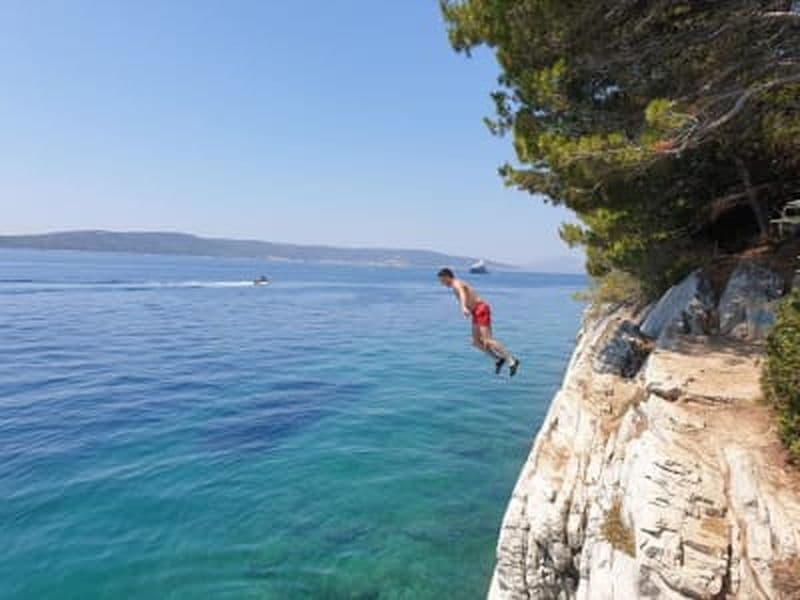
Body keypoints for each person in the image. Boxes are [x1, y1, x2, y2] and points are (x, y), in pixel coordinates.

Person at [438, 268, 520, 376]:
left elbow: (462, 293)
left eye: (442, 280)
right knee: (476, 342)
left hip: (481, 309)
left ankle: (511, 360)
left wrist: (462, 307)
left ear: (447, 277)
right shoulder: (454, 286)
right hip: (475, 312)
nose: (442, 283)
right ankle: (498, 359)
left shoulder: (456, 283)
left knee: (488, 340)